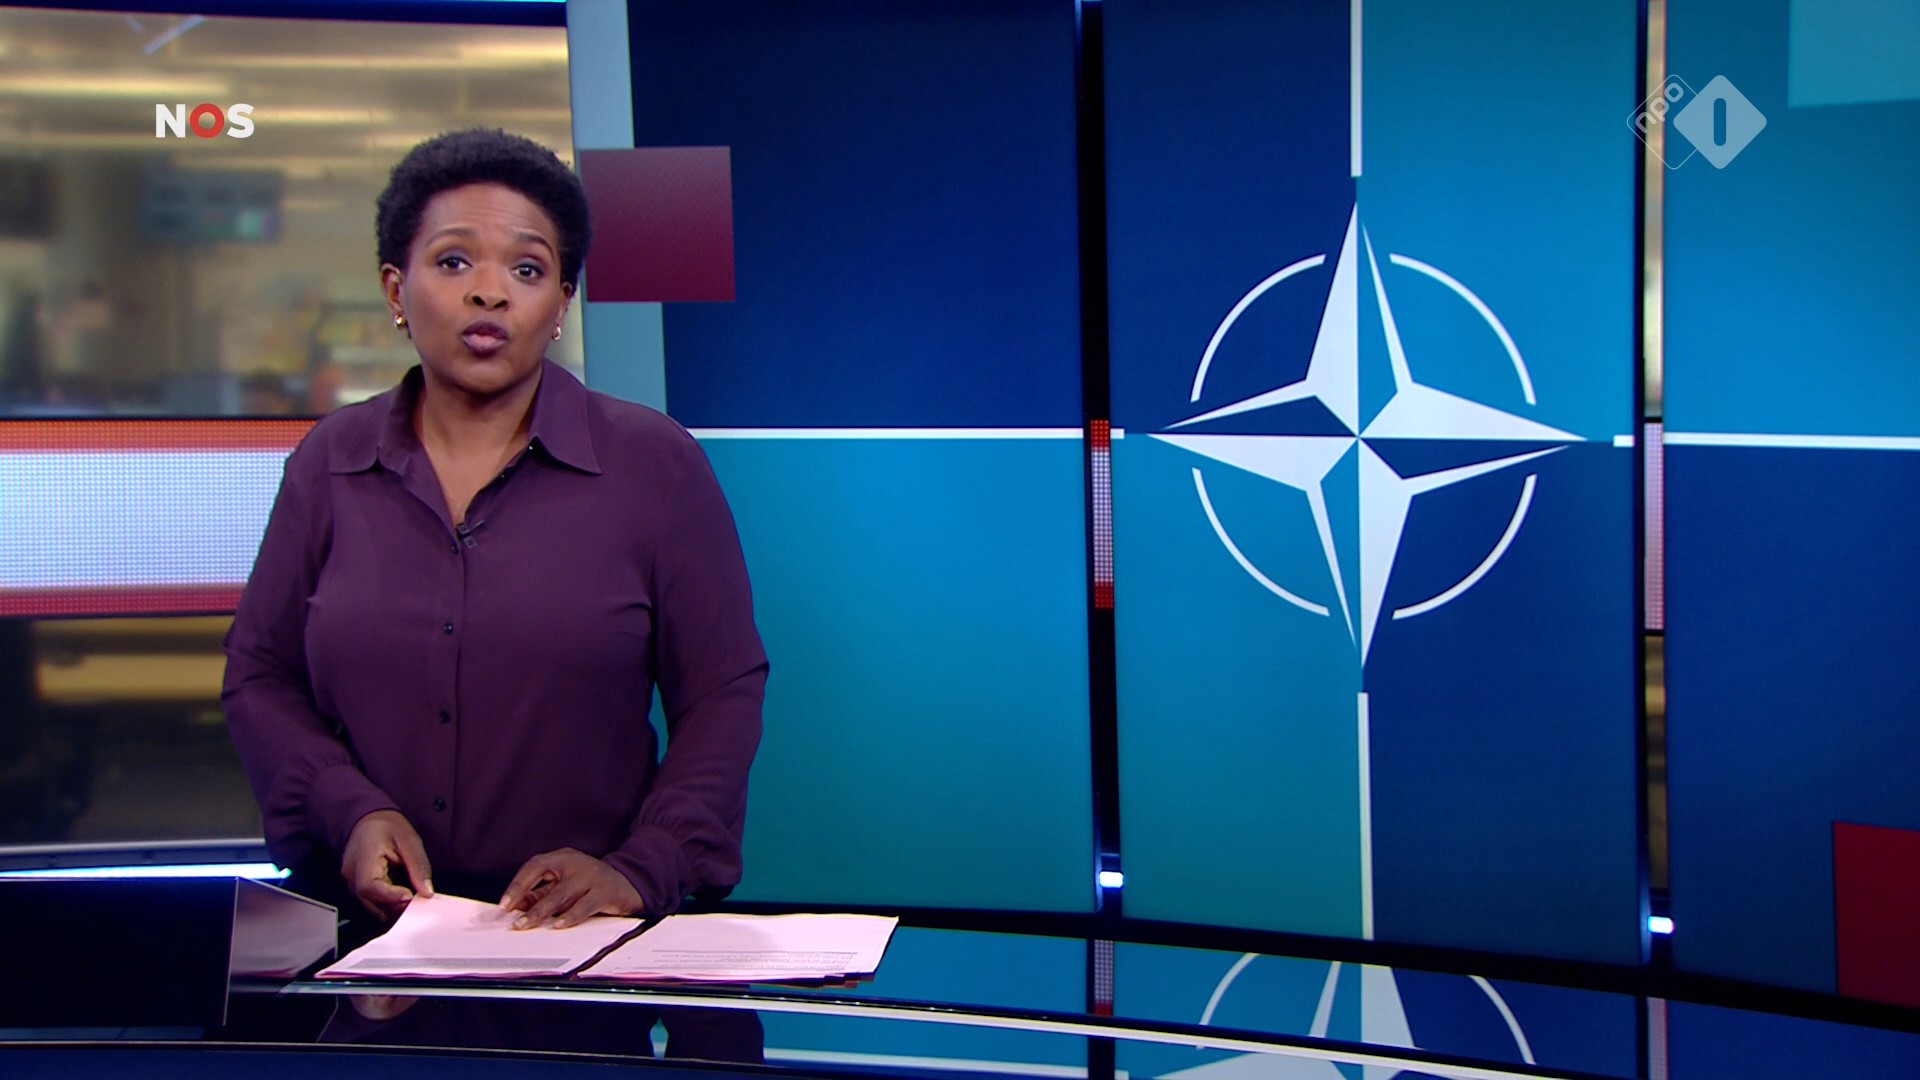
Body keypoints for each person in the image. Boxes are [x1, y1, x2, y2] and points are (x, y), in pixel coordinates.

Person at [222, 129, 768, 935]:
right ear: (395, 288)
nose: (490, 294)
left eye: (527, 269)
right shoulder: (329, 463)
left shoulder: (654, 464)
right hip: (364, 939)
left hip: (581, 941)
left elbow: (721, 691)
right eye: (453, 262)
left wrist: (641, 866)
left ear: (561, 304)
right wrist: (348, 810)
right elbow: (260, 674)